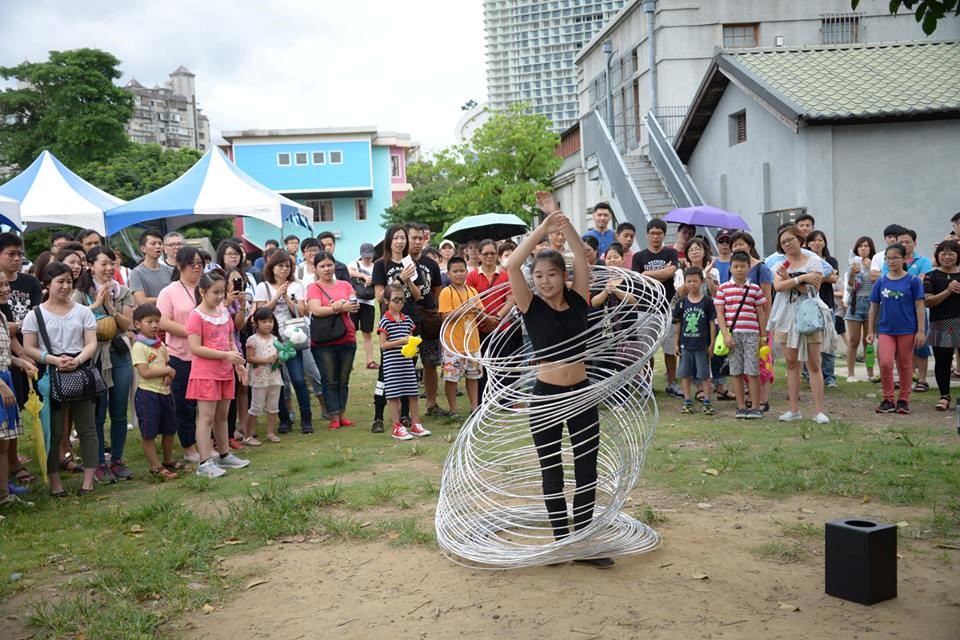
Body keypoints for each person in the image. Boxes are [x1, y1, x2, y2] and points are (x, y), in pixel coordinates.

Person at [506, 195, 612, 569]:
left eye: (552, 274)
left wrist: (561, 223)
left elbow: (582, 257)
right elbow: (512, 263)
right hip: (546, 396)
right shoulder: (529, 305)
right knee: (552, 469)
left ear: (564, 277)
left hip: (582, 393)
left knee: (587, 467)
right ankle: (561, 542)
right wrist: (544, 226)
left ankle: (582, 543)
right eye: (539, 276)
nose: (545, 281)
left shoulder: (581, 298)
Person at [21, 263, 98, 496]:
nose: (65, 286)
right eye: (60, 282)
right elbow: (28, 347)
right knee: (52, 431)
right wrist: (52, 359)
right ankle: (55, 482)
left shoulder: (83, 311)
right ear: (47, 284)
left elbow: (91, 343)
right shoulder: (35, 315)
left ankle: (89, 479)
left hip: (81, 372)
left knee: (87, 428)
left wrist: (77, 360)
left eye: (69, 282)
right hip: (51, 374)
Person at [74, 246, 135, 483]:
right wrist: (95, 305)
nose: (109, 268)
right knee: (98, 413)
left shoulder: (123, 292)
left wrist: (109, 306)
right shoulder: (80, 293)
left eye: (112, 263)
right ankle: (99, 462)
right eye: (103, 263)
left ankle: (117, 460)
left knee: (119, 412)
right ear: (91, 266)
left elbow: (127, 325)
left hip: (120, 355)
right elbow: (73, 321)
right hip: (93, 357)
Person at [186, 269, 250, 478]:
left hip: (225, 372)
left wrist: (238, 363)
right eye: (215, 292)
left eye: (222, 292)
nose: (220, 296)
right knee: (206, 418)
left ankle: (224, 454)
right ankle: (204, 462)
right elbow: (195, 348)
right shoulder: (196, 316)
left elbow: (230, 338)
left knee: (222, 416)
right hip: (205, 373)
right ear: (203, 292)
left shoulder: (223, 312)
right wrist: (225, 356)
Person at [769, 225, 831, 424]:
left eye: (790, 240)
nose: (787, 244)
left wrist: (792, 280)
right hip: (786, 316)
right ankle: (794, 409)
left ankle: (819, 410)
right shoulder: (782, 263)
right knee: (791, 363)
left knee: (814, 363)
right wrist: (802, 278)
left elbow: (812, 290)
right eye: (783, 242)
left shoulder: (814, 260)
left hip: (809, 315)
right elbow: (778, 286)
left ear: (800, 240)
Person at [0, 233, 43, 490]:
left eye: (20, 254)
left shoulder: (29, 283)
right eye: (10, 254)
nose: (17, 259)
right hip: (3, 377)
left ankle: (5, 486)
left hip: (11, 364)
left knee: (7, 433)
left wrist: (23, 360)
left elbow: (10, 343)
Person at [254, 250, 313, 434]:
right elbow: (259, 313)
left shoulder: (297, 285)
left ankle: (306, 418)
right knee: (277, 381)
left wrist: (287, 297)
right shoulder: (263, 286)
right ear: (272, 267)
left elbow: (302, 311)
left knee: (298, 379)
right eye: (280, 265)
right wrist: (276, 296)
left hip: (293, 337)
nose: (284, 269)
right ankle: (284, 419)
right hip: (271, 339)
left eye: (287, 266)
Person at [156, 246, 204, 463]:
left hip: (206, 354)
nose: (196, 267)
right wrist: (193, 334)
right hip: (180, 354)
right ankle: (188, 446)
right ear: (179, 265)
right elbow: (163, 322)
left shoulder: (206, 287)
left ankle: (207, 442)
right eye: (192, 263)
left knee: (206, 402)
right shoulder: (169, 291)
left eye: (200, 263)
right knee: (184, 403)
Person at [867, 243, 926, 414]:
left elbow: (920, 306)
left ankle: (903, 400)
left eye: (895, 258)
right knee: (885, 363)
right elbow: (874, 307)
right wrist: (870, 330)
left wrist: (921, 330)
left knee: (905, 364)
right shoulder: (881, 281)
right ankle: (888, 399)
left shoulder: (913, 281)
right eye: (888, 258)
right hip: (885, 329)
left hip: (907, 329)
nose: (891, 261)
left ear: (904, 259)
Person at [307, 251, 359, 431]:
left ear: (335, 265)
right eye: (322, 266)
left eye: (329, 265)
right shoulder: (314, 288)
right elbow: (316, 310)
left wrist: (340, 306)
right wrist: (338, 307)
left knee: (343, 379)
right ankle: (333, 416)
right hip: (324, 342)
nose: (327, 269)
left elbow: (354, 305)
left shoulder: (345, 284)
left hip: (347, 338)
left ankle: (342, 414)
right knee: (329, 379)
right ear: (316, 269)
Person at [371, 225, 416, 433]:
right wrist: (399, 279)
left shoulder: (409, 263)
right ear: (389, 240)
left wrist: (409, 279)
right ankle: (379, 415)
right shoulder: (381, 264)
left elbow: (417, 295)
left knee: (408, 370)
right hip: (389, 322)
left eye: (403, 238)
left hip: (408, 321)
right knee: (386, 373)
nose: (400, 242)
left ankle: (406, 416)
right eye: (396, 238)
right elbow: (379, 297)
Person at [632, 219, 681, 397]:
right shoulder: (639, 257)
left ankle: (671, 383)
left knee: (669, 349)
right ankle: (647, 383)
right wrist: (656, 274)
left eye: (659, 233)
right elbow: (638, 279)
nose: (655, 236)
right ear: (647, 235)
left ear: (664, 235)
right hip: (645, 309)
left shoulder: (671, 252)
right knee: (646, 350)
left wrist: (647, 274)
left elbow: (671, 272)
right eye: (652, 233)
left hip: (666, 308)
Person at [716, 252, 769, 419]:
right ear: (730, 268)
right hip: (733, 336)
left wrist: (763, 336)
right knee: (736, 371)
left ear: (749, 268)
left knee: (753, 371)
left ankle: (754, 406)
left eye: (743, 266)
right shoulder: (723, 289)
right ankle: (740, 406)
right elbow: (720, 314)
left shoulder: (755, 289)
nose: (739, 270)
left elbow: (761, 313)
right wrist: (725, 335)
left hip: (752, 334)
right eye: (735, 266)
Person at [130, 304, 179, 480]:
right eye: (149, 321)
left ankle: (168, 460)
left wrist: (169, 375)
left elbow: (166, 364)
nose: (154, 325)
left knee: (169, 429)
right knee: (149, 433)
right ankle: (155, 466)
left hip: (164, 393)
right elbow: (144, 372)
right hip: (147, 395)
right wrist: (167, 371)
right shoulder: (139, 347)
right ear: (137, 324)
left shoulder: (161, 345)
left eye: (157, 321)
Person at [0, 271, 36, 504]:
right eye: (0, 285)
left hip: (6, 378)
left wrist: (20, 361)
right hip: (1, 383)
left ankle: (4, 493)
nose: (6, 289)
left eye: (6, 284)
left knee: (3, 442)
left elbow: (4, 355)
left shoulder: (2, 317)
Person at [467, 238, 517, 401]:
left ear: (497, 255)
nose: (489, 256)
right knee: (481, 365)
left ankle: (505, 400)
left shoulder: (504, 275)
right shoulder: (472, 276)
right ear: (479, 256)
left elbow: (510, 299)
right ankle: (483, 399)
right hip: (479, 327)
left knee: (502, 363)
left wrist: (497, 317)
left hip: (501, 326)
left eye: (492, 253)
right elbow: (470, 300)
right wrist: (485, 318)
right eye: (485, 253)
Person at [378, 283, 430, 441]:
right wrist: (400, 341)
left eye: (402, 300)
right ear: (386, 301)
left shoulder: (407, 320)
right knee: (393, 397)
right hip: (392, 365)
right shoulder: (384, 321)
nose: (399, 303)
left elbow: (410, 339)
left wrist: (413, 344)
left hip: (407, 363)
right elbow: (383, 345)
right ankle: (396, 426)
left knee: (413, 394)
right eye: (396, 300)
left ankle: (416, 423)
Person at [729, 231, 774, 410]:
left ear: (750, 245)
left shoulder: (761, 268)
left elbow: (767, 298)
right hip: (739, 324)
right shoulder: (734, 267)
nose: (737, 247)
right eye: (734, 245)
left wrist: (767, 325)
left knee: (761, 361)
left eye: (741, 243)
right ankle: (751, 396)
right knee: (744, 362)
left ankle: (763, 400)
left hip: (759, 324)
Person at [405, 224, 445, 416]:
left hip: (428, 317)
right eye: (414, 238)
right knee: (406, 362)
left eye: (421, 238)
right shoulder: (399, 263)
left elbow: (437, 287)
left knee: (431, 363)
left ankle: (431, 403)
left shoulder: (431, 264)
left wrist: (432, 305)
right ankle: (406, 409)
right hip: (406, 319)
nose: (418, 242)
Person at [438, 256, 483, 415]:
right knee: (451, 378)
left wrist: (479, 312)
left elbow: (480, 311)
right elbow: (445, 317)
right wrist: (467, 310)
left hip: (472, 343)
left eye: (462, 271)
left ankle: (474, 407)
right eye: (455, 271)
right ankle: (453, 409)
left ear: (467, 272)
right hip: (453, 344)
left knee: (473, 376)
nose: (459, 274)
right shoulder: (446, 292)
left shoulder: (473, 291)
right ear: (448, 274)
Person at [673, 267, 716, 415]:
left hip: (702, 345)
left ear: (701, 282)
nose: (692, 284)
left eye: (695, 281)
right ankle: (687, 400)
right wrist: (676, 343)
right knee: (685, 374)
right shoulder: (682, 302)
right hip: (686, 345)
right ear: (684, 282)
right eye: (688, 281)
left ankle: (707, 401)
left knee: (704, 374)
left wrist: (712, 343)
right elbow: (678, 323)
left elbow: (711, 323)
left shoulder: (707, 301)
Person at [923, 239, 960, 411]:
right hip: (941, 322)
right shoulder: (931, 275)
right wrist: (948, 291)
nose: (946, 257)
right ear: (937, 255)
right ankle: (944, 395)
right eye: (943, 253)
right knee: (942, 361)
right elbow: (928, 302)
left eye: (951, 254)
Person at [803, 230, 840, 388]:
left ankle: (829, 376)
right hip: (808, 305)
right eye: (813, 240)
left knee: (828, 341)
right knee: (807, 340)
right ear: (808, 243)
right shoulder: (804, 259)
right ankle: (808, 374)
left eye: (820, 240)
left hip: (827, 305)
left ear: (824, 243)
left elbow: (834, 278)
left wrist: (815, 277)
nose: (817, 243)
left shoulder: (830, 260)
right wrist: (823, 276)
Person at [243, 307, 284, 444]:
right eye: (264, 321)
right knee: (256, 406)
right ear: (255, 323)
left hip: (274, 377)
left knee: (273, 406)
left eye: (270, 321)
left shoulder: (275, 339)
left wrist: (280, 359)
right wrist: (266, 360)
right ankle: (248, 435)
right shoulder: (252, 340)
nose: (268, 324)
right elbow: (249, 358)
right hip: (259, 379)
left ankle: (271, 433)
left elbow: (280, 357)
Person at [845, 236, 878, 382]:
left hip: (872, 304)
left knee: (868, 341)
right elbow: (849, 287)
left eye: (866, 246)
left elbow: (881, 282)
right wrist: (852, 273)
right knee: (853, 341)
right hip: (855, 304)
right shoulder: (853, 265)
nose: (863, 248)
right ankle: (850, 374)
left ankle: (870, 373)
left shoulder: (876, 264)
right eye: (860, 246)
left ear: (871, 249)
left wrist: (872, 267)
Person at [349, 243, 378, 369]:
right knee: (351, 333)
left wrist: (372, 281)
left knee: (367, 333)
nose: (367, 258)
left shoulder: (376, 266)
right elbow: (347, 270)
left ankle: (370, 361)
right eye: (365, 256)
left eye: (369, 256)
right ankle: (349, 362)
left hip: (369, 303)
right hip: (354, 301)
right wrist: (363, 275)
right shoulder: (355, 264)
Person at [129, 230, 174, 306]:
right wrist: (167, 298)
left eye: (160, 243)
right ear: (143, 248)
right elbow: (141, 301)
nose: (158, 246)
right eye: (153, 243)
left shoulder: (170, 270)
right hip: (152, 316)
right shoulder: (136, 273)